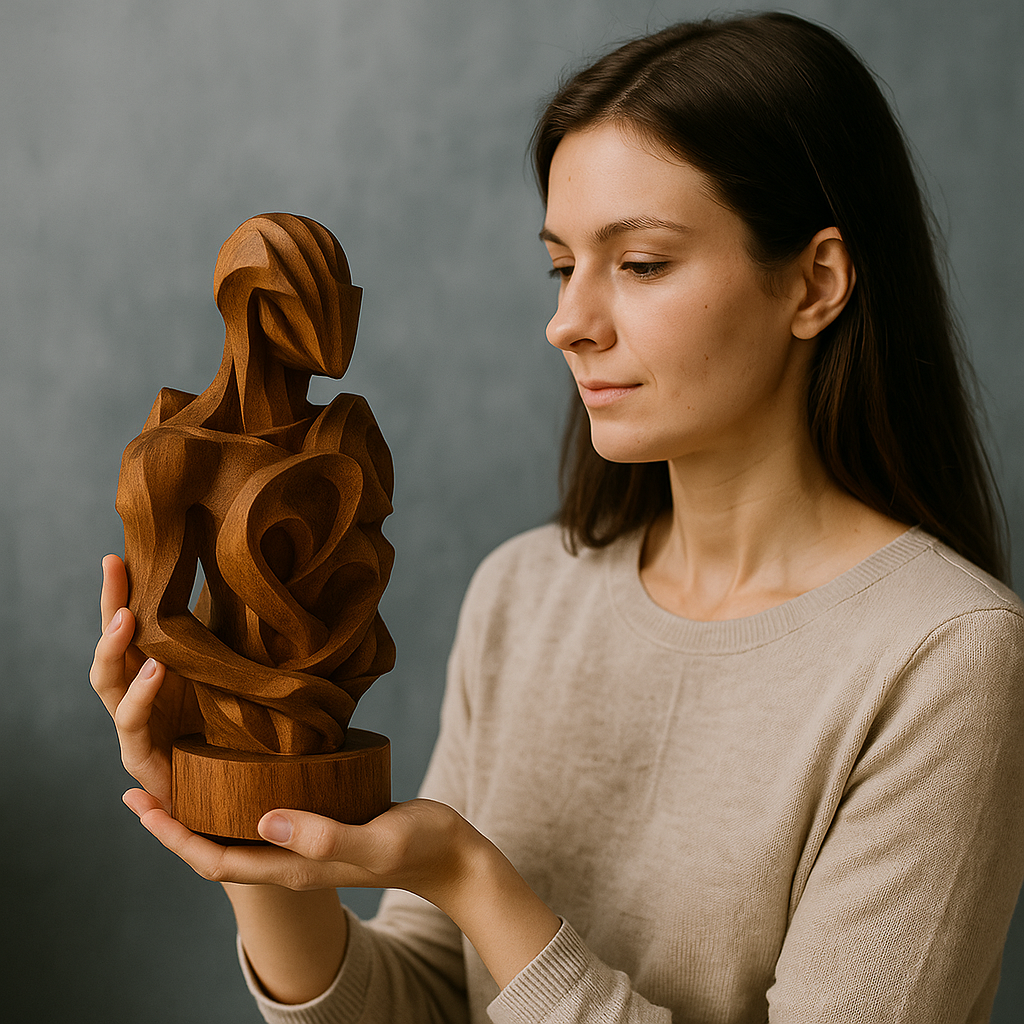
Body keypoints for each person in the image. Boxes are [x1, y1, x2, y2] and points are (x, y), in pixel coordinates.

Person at [91, 11, 1024, 1024]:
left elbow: (483, 930)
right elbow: (424, 1004)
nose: (567, 321)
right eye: (559, 264)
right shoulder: (525, 594)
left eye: (642, 263)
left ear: (816, 282)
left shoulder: (947, 658)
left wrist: (472, 878)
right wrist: (251, 832)